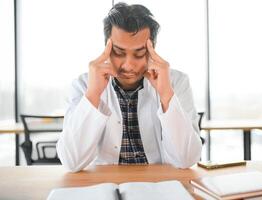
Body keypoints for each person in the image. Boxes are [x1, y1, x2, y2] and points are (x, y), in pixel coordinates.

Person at [57, 2, 202, 172]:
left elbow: (187, 159)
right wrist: (93, 95)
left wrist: (166, 94)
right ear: (107, 47)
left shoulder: (176, 82)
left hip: (159, 185)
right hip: (103, 186)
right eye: (118, 53)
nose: (128, 65)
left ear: (152, 49)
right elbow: (70, 162)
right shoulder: (84, 85)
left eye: (139, 54)